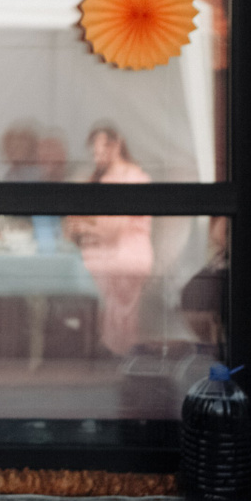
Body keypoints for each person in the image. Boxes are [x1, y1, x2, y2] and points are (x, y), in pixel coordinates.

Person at [66, 122, 154, 355]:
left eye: (100, 150)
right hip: (101, 253)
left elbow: (114, 227)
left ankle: (116, 352)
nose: (96, 157)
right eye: (93, 153)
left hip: (124, 254)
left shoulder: (132, 178)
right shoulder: (101, 178)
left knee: (118, 311)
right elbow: (76, 220)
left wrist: (85, 225)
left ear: (115, 146)